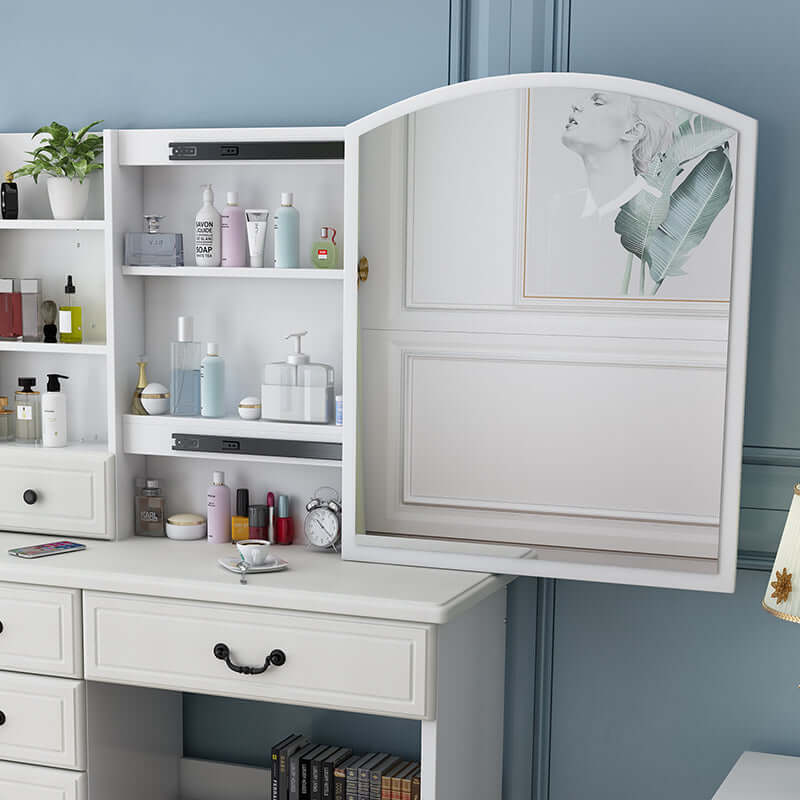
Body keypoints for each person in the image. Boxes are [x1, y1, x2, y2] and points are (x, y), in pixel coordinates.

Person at [535, 91, 678, 297]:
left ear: (633, 130)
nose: (576, 105)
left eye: (598, 102)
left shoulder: (661, 215)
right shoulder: (559, 207)